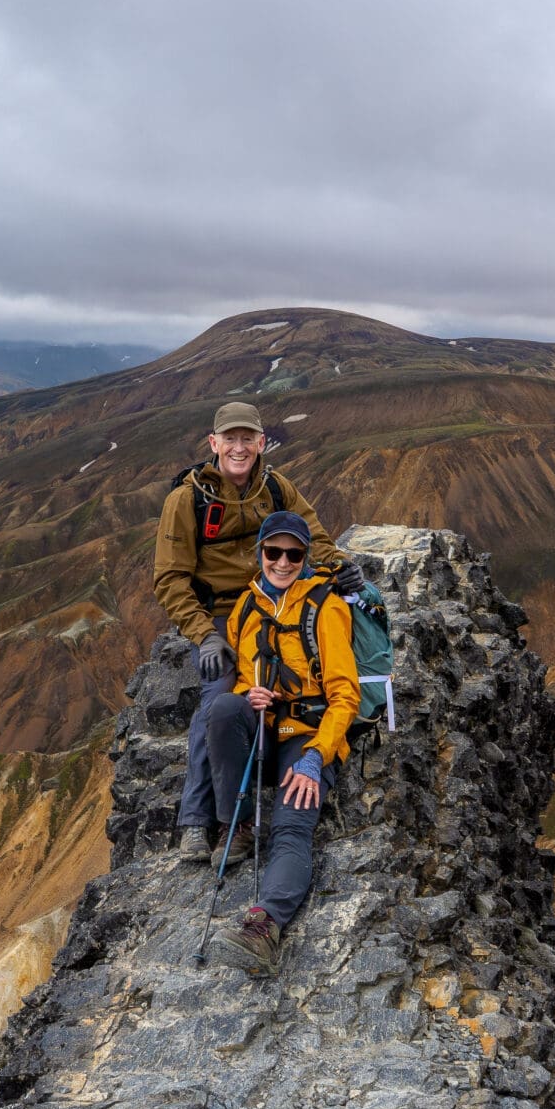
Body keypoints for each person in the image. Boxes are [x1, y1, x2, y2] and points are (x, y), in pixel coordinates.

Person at [153, 401, 358, 861]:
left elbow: (313, 536)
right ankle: (198, 820)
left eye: (248, 438)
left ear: (262, 442)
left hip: (276, 599)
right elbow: (169, 578)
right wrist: (205, 635)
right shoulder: (187, 500)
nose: (239, 448)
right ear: (214, 443)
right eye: (230, 439)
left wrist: (340, 566)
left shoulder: (276, 488)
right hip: (223, 614)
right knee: (219, 697)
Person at [202, 511, 360, 974]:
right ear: (261, 554)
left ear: (306, 557)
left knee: (291, 827)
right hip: (265, 729)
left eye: (294, 554)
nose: (283, 562)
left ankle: (264, 927)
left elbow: (345, 695)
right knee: (224, 708)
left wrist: (316, 757)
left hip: (306, 738)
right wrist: (248, 694)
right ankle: (238, 825)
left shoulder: (326, 607)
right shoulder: (246, 608)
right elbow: (240, 678)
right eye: (274, 552)